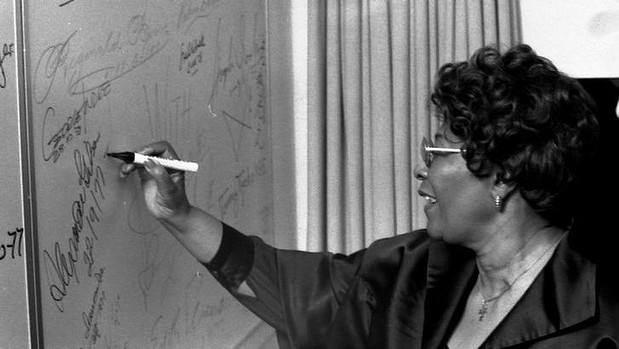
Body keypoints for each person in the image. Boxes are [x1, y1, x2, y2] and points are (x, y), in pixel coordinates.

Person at [119, 44, 619, 348]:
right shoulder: (412, 269)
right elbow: (288, 289)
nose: (420, 167)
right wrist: (177, 213)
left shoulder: (601, 320)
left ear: (503, 174)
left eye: (438, 150)